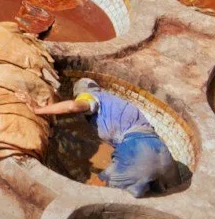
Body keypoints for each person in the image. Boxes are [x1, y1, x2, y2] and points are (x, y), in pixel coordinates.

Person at [37, 80, 173, 197]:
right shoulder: (116, 102)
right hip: (163, 155)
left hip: (139, 152)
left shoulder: (90, 96)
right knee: (144, 195)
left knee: (99, 190)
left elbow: (72, 106)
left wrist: (38, 110)